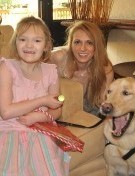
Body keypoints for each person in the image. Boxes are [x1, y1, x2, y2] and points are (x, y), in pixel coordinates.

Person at [0, 16, 70, 175]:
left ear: (46, 46)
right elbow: (5, 112)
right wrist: (43, 100)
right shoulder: (7, 67)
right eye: (23, 39)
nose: (29, 45)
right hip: (8, 130)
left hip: (40, 130)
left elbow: (57, 110)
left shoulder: (51, 71)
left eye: (37, 41)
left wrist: (39, 117)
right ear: (15, 43)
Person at [49, 20, 114, 117]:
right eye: (77, 42)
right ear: (71, 44)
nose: (82, 48)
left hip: (92, 109)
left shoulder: (104, 66)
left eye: (89, 43)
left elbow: (104, 101)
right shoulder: (58, 58)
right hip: (60, 109)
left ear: (97, 46)